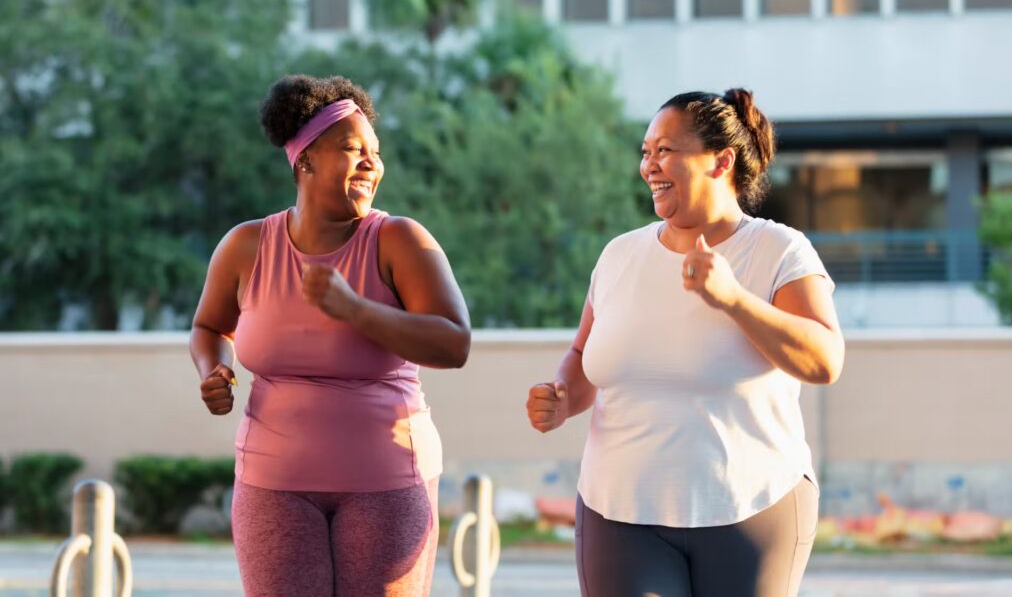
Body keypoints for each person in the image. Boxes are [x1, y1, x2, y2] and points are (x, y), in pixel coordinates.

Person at [525, 89, 845, 597]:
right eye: (646, 152)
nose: (649, 165)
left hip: (754, 510)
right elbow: (584, 358)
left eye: (665, 151)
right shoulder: (619, 256)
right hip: (620, 512)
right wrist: (562, 396)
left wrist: (732, 298)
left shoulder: (778, 249)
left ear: (721, 161)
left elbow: (825, 360)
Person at [189, 74, 470, 596]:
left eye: (375, 152)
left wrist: (357, 310)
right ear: (305, 161)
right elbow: (209, 327)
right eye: (352, 148)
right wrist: (215, 369)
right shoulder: (246, 246)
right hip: (274, 486)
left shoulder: (399, 240)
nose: (371, 163)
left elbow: (454, 342)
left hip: (386, 484)